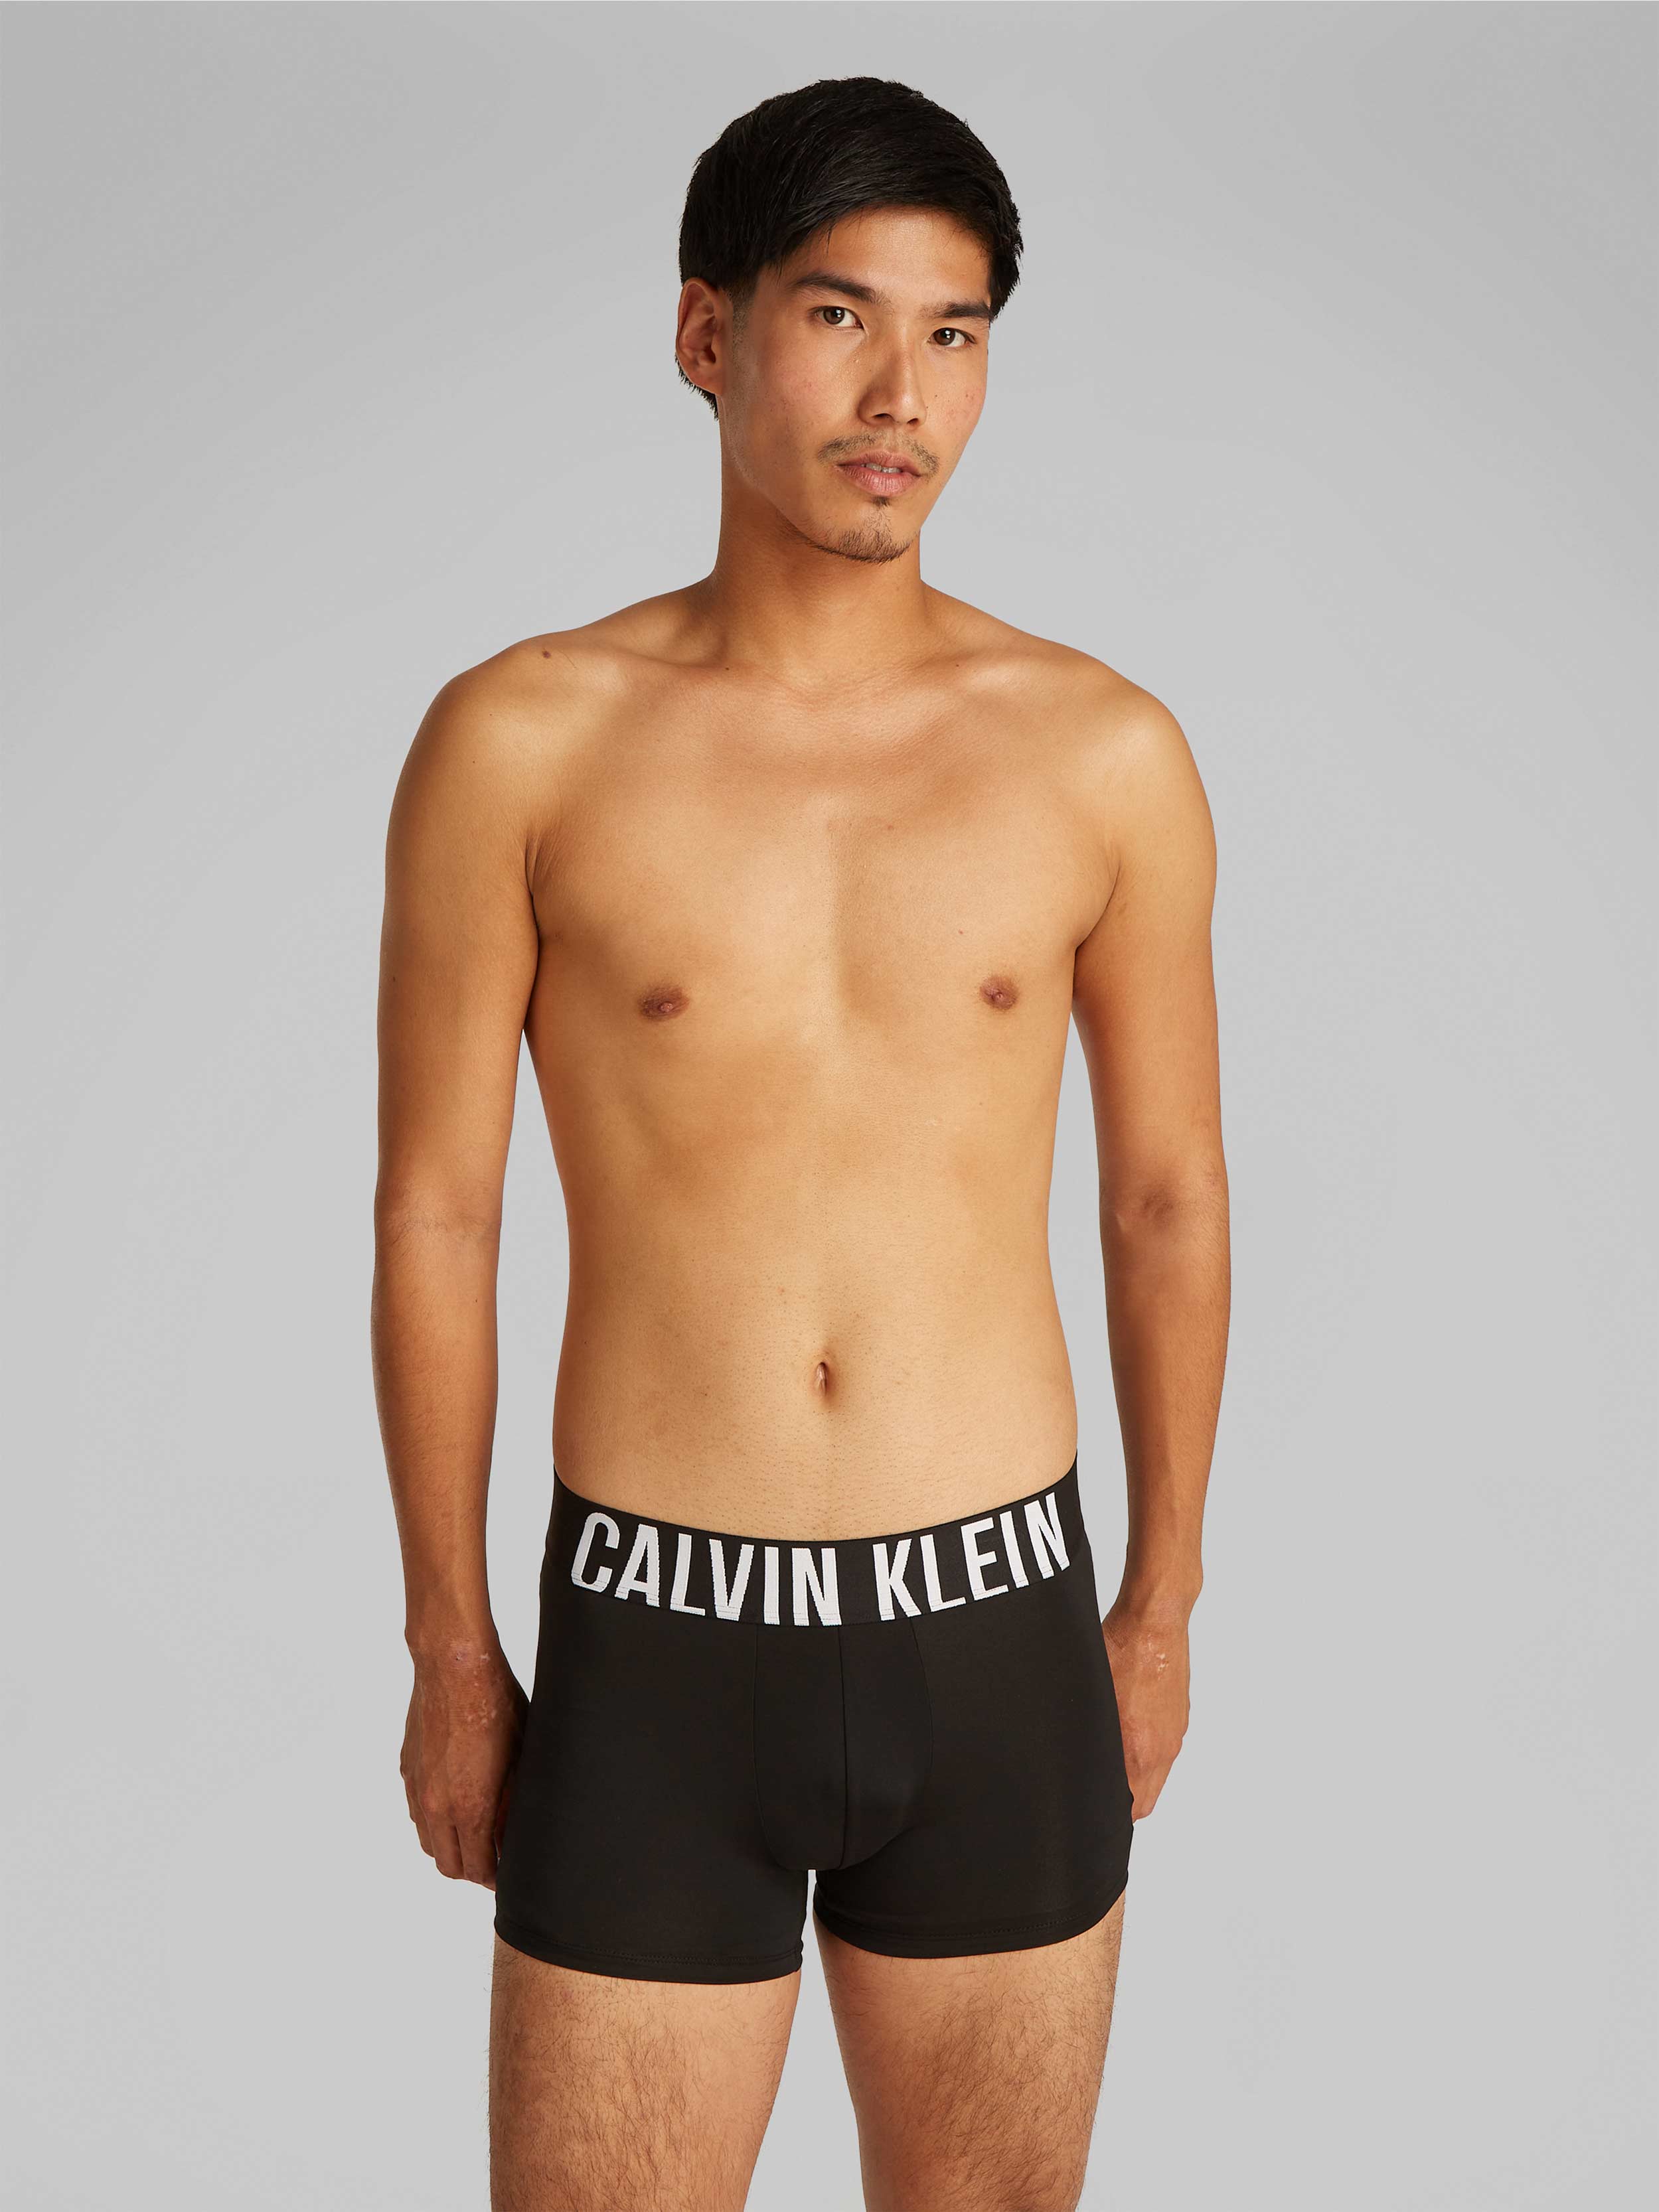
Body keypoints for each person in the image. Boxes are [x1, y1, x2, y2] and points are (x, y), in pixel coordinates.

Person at [372, 73, 1228, 2212]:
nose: (899, 394)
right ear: (706, 334)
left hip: (996, 1615)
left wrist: (1158, 1603)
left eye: (953, 333)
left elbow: (1162, 1201)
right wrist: (451, 1645)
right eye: (840, 315)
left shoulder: (1100, 753)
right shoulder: (520, 740)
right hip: (653, 1626)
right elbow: (438, 1211)